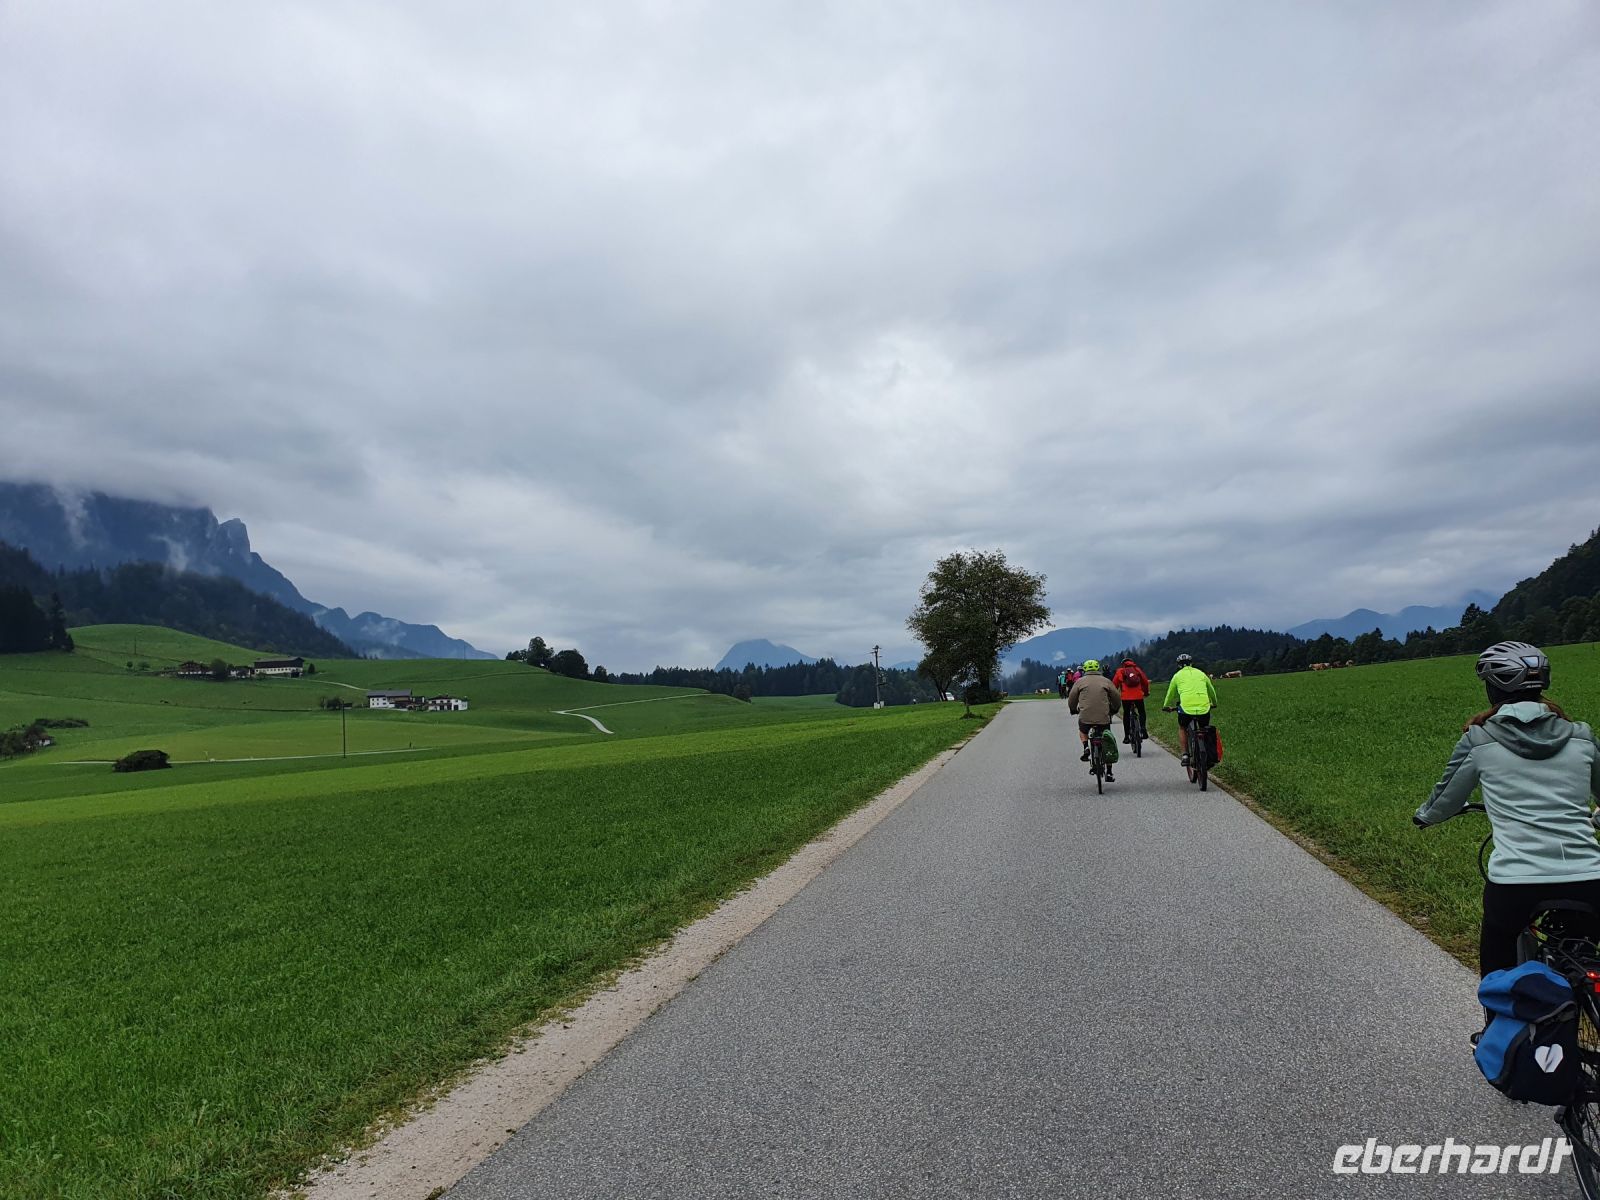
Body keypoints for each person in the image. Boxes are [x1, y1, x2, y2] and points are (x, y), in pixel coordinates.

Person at [1413, 641, 1600, 976]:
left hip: (1516, 885)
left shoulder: (1479, 740)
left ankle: (1505, 1008)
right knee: (1586, 960)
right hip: (1589, 879)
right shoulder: (1582, 737)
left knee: (1497, 975)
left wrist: (1425, 817)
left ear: (1492, 688)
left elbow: (1443, 801)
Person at [1068, 659, 1121, 783]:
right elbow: (1116, 698)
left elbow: (1072, 698)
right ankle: (1109, 772)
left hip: (1085, 717)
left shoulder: (1079, 682)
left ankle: (1086, 747)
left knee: (1083, 730)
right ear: (1098, 668)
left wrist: (1073, 709)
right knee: (1107, 739)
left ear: (1085, 669)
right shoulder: (1106, 681)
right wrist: (1114, 709)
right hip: (1103, 717)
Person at [1161, 653, 1217, 765]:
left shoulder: (1177, 676)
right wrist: (1214, 703)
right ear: (1191, 663)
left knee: (1182, 727)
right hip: (1204, 707)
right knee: (1204, 729)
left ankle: (1185, 755)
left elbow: (1170, 694)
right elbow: (1211, 690)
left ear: (1178, 665)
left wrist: (1166, 706)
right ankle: (1208, 754)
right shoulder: (1201, 673)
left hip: (1186, 708)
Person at [1112, 658, 1150, 744]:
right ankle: (1143, 729)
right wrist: (1146, 692)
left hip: (1126, 697)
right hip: (1138, 696)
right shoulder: (1137, 670)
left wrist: (1114, 696)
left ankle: (1126, 736)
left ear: (1123, 664)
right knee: (1141, 711)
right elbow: (1145, 682)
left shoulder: (1120, 671)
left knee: (1126, 714)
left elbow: (1114, 685)